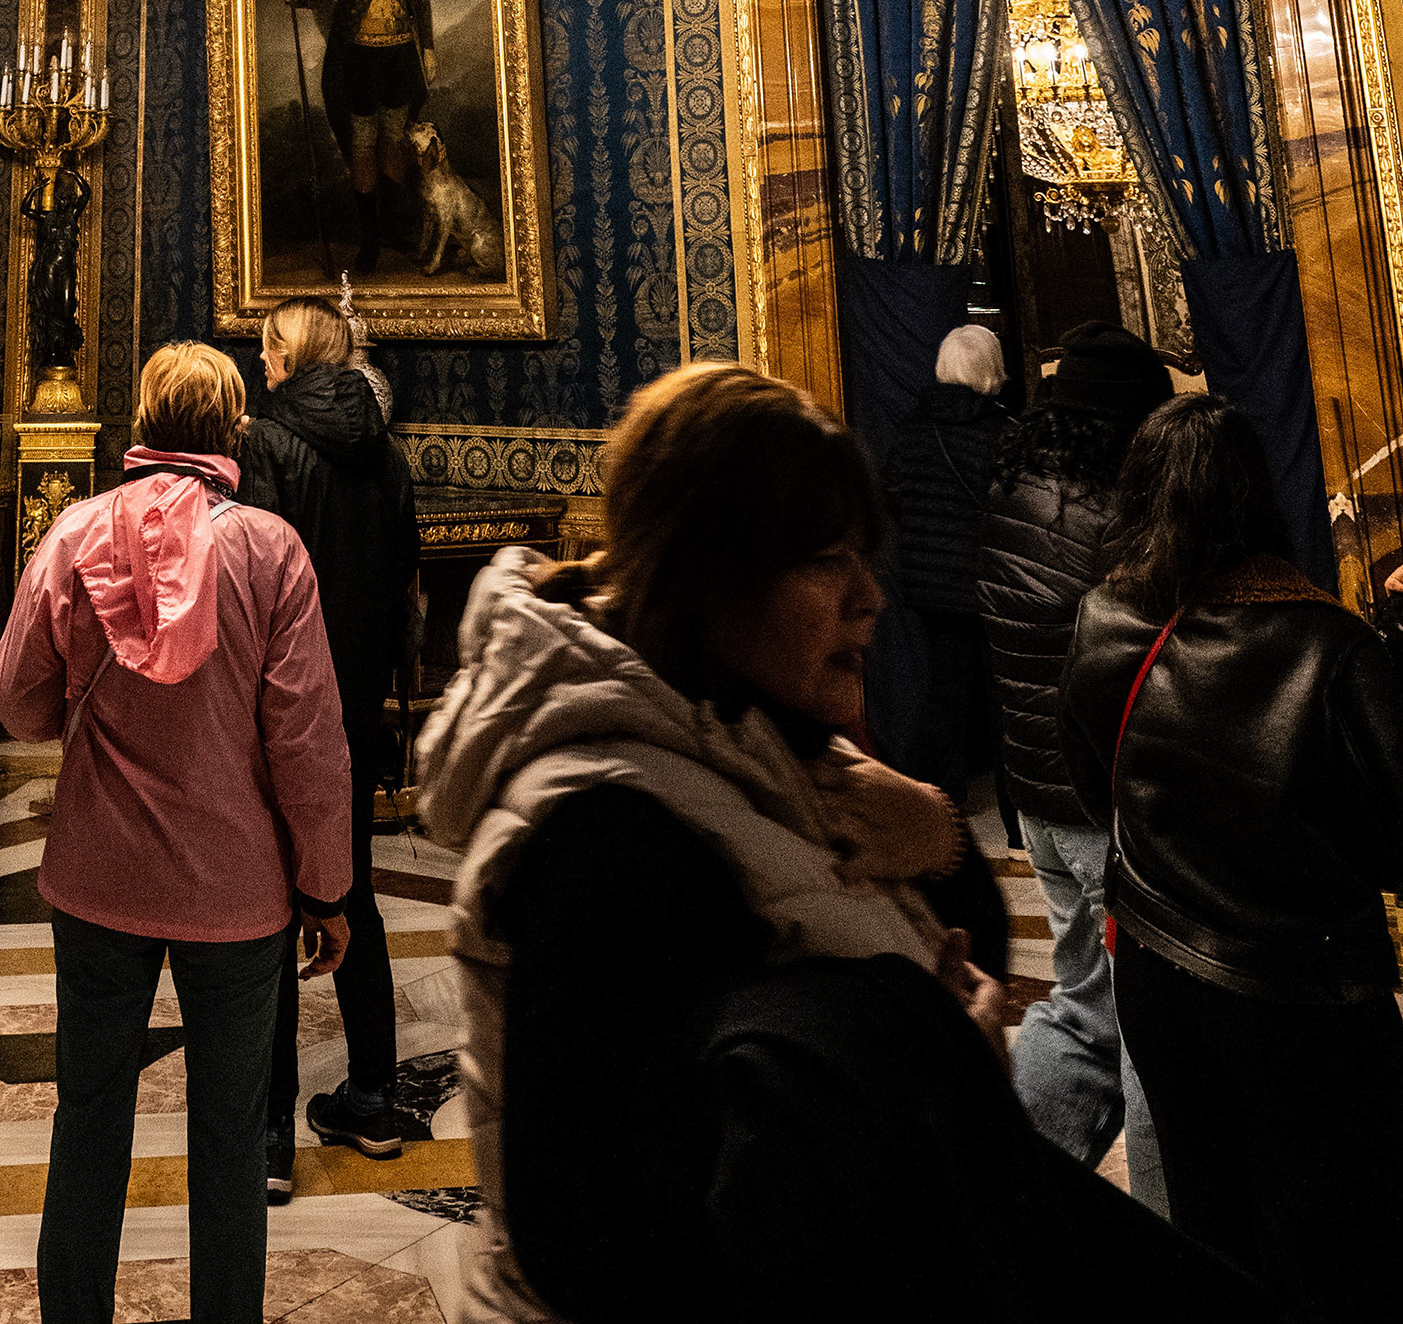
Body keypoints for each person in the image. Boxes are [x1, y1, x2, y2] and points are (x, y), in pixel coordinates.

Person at [417, 363, 1241, 1323]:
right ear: (705, 570)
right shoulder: (608, 836)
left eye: (864, 555)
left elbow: (946, 931)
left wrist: (935, 837)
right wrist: (932, 1072)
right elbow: (602, 1254)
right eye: (822, 559)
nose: (869, 598)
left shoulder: (747, 733)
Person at [0, 342, 351, 1324]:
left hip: (97, 875)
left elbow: (16, 704)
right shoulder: (271, 551)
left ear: (140, 424)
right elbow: (309, 746)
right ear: (233, 430)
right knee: (232, 1141)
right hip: (236, 895)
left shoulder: (74, 535)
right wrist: (326, 889)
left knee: (89, 1124)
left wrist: (91, 709)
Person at [1061, 395, 1403, 1320]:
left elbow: (1087, 786)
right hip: (1307, 998)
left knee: (1212, 1223)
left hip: (1160, 975)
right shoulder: (1326, 646)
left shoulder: (1104, 619)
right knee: (1347, 1246)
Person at [978, 319, 1172, 1212]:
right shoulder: (1118, 520)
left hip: (1038, 795)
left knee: (1081, 1005)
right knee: (1150, 1026)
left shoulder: (1014, 486)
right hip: (1101, 804)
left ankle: (1012, 1195)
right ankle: (1178, 1232)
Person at [238, 297, 422, 1196]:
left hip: (282, 702)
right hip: (355, 700)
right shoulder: (387, 453)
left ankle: (272, 1135)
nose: (260, 359)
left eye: (267, 346)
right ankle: (377, 1098)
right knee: (356, 894)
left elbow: (257, 577)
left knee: (273, 906)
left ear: (289, 355)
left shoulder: (263, 440)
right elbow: (405, 576)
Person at [880, 323, 1010, 811]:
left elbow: (894, 495)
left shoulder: (912, 428)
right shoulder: (1001, 431)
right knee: (1006, 699)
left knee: (943, 696)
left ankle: (941, 800)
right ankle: (1018, 813)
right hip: (990, 582)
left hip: (930, 584)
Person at [285, 0, 435, 274]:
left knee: (395, 139)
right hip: (359, 55)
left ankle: (389, 226)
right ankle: (370, 238)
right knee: (364, 143)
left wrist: (428, 47)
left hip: (400, 52)